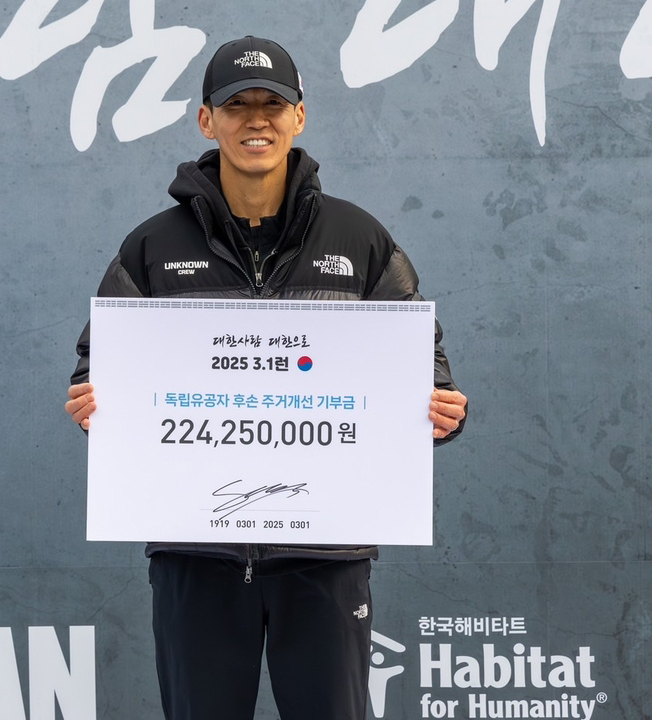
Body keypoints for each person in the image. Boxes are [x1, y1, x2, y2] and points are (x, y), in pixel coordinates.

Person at [64, 36, 467, 720]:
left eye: (272, 105)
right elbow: (99, 371)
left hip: (325, 555)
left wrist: (440, 413)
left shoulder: (360, 240)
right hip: (197, 554)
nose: (257, 120)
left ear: (298, 117)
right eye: (237, 105)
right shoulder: (152, 247)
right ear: (206, 120)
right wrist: (93, 404)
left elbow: (425, 371)